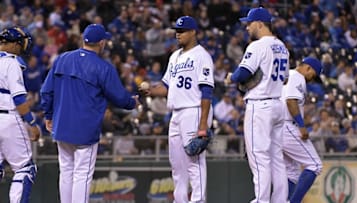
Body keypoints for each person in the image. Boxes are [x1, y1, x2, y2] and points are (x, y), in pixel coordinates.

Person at [40, 24, 140, 203]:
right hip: (85, 130)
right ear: (101, 43)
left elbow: (46, 91)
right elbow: (120, 98)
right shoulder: (103, 67)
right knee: (82, 174)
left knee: (67, 171)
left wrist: (48, 115)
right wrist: (133, 102)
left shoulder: (62, 59)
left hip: (62, 126)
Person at [140, 16, 214, 203]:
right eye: (177, 30)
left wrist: (203, 124)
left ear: (193, 32)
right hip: (176, 113)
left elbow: (207, 91)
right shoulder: (174, 56)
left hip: (194, 110)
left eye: (182, 31)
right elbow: (165, 87)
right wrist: (150, 90)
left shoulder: (201, 55)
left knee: (194, 163)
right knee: (177, 166)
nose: (178, 34)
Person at [225, 7, 290, 202]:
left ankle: (262, 200)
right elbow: (285, 79)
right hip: (278, 106)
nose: (247, 27)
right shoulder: (282, 47)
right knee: (277, 159)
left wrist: (231, 78)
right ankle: (280, 200)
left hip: (260, 106)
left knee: (259, 156)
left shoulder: (257, 46)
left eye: (249, 23)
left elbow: (243, 73)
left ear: (260, 24)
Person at [0, 26, 40, 202]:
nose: (22, 47)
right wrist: (31, 123)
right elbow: (19, 99)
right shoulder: (11, 62)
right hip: (8, 118)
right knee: (25, 168)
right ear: (13, 44)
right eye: (20, 43)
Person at [281, 57, 323, 203]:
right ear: (307, 68)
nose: (312, 79)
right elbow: (290, 101)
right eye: (313, 74)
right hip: (287, 126)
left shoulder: (289, 75)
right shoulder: (297, 76)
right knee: (315, 165)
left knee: (292, 173)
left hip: (278, 127)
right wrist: (301, 125)